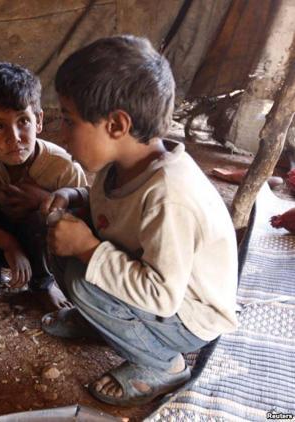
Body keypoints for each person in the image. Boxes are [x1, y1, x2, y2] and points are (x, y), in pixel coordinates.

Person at [41, 35, 238, 406]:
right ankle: (100, 322)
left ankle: (162, 366)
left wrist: (87, 248)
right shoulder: (123, 164)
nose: (61, 135)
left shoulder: (170, 197)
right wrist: (74, 197)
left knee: (85, 281)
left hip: (187, 317)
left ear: (116, 125)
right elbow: (116, 212)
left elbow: (162, 296)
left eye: (69, 121)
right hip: (152, 286)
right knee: (59, 236)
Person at [0, 62, 87, 312]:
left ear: (39, 120)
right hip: (4, 245)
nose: (15, 137)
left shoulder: (62, 166)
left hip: (45, 248)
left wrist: (44, 201)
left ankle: (43, 282)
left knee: (44, 215)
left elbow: (87, 218)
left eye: (23, 121)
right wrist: (8, 243)